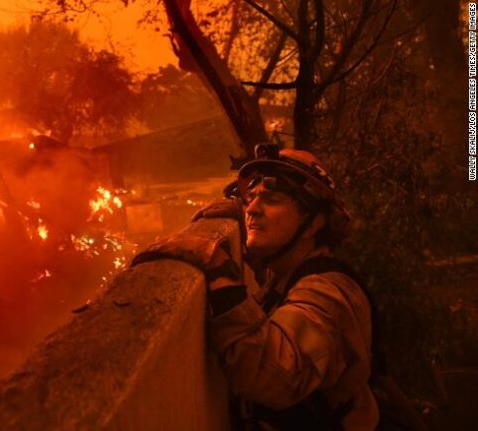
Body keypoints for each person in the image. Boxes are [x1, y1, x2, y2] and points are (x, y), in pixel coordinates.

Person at [133, 143, 378, 430]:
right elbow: (265, 249)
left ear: (313, 224)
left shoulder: (329, 294)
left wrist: (219, 270)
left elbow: (272, 375)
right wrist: (241, 210)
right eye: (251, 198)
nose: (253, 209)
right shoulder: (287, 272)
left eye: (271, 199)